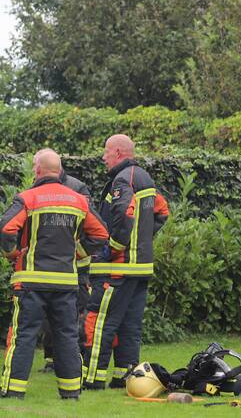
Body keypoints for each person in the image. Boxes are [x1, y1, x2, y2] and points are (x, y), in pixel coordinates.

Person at [0, 149, 109, 400]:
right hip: (66, 282)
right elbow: (101, 234)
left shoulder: (27, 198)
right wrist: (78, 253)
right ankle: (71, 393)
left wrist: (14, 253)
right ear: (59, 171)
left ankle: (13, 391)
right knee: (67, 336)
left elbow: (6, 229)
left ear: (37, 170)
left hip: (32, 282)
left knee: (23, 335)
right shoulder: (79, 200)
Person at [82, 135, 169, 390]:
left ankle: (92, 379)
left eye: (106, 152)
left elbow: (123, 215)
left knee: (101, 323)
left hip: (117, 268)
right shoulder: (144, 178)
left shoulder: (122, 180)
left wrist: (112, 249)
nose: (103, 157)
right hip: (140, 268)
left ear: (118, 152)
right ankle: (124, 376)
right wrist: (142, 240)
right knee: (129, 326)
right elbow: (162, 212)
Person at [40, 166, 97, 371]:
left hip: (74, 268)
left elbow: (94, 229)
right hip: (52, 265)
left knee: (74, 314)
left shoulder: (78, 188)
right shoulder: (40, 186)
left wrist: (78, 252)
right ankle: (51, 359)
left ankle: (75, 357)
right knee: (52, 315)